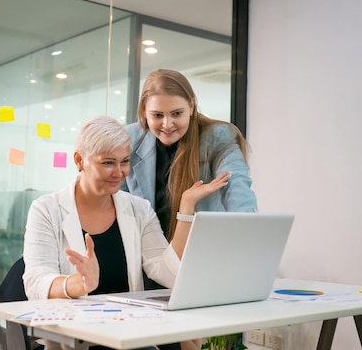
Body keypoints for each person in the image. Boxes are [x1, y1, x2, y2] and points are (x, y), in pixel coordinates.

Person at [22, 116, 229, 350]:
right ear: (79, 160)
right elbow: (36, 281)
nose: (119, 172)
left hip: (129, 335)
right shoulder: (46, 209)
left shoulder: (138, 209)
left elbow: (166, 270)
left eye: (125, 161)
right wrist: (77, 284)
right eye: (108, 163)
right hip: (76, 339)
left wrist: (186, 208)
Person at [122, 69, 257, 241]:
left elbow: (235, 181)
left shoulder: (218, 136)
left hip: (199, 249)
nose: (167, 124)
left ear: (191, 106)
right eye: (157, 115)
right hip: (146, 251)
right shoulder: (129, 139)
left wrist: (248, 228)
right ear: (144, 110)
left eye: (177, 113)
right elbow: (118, 201)